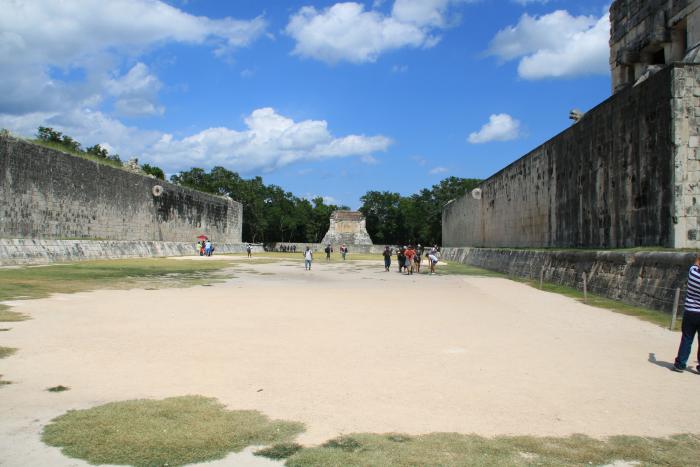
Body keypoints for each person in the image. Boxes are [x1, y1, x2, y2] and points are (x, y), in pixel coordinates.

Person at [672, 254, 700, 372]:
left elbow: (696, 263)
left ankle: (680, 363)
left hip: (690, 312)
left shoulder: (693, 273)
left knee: (687, 338)